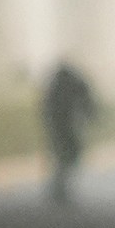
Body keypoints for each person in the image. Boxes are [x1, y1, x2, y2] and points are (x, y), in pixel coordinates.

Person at [39, 59, 100, 204]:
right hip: (63, 124)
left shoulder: (58, 85)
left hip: (60, 124)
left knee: (63, 155)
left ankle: (59, 188)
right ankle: (59, 189)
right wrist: (92, 116)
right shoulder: (73, 83)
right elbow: (87, 103)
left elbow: (46, 109)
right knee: (68, 154)